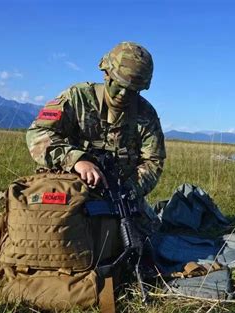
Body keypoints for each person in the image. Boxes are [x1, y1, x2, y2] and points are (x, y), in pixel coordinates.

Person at [26, 42, 166, 224]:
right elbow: (37, 133)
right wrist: (76, 160)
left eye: (132, 90)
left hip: (121, 195)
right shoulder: (77, 97)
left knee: (150, 233)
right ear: (106, 74)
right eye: (119, 85)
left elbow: (153, 161)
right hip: (70, 186)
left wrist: (129, 190)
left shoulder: (146, 114)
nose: (123, 94)